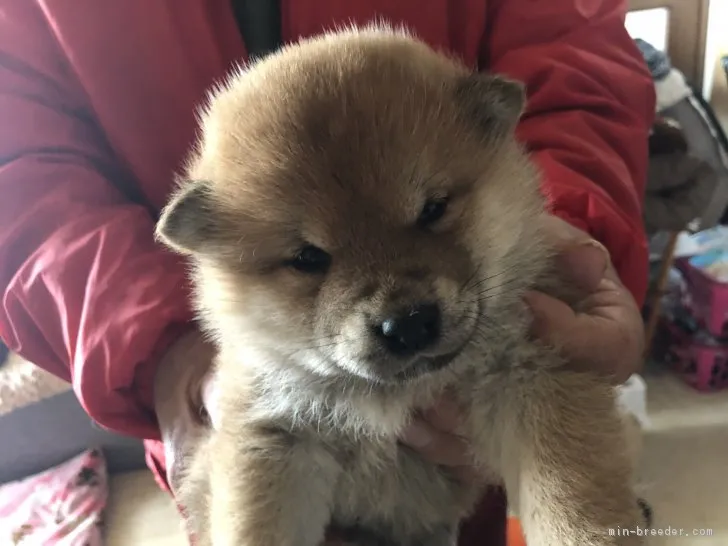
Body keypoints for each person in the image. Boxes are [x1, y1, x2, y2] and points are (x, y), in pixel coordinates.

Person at [0, 1, 654, 545]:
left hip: (475, 507)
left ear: (489, 124)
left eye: (430, 213)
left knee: (541, 386)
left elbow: (575, 51)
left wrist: (578, 221)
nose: (397, 304)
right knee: (269, 443)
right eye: (311, 259)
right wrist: (164, 352)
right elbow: (18, 174)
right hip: (203, 388)